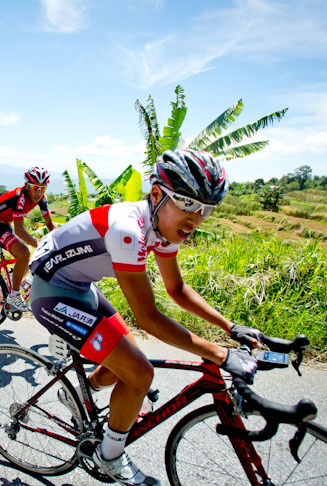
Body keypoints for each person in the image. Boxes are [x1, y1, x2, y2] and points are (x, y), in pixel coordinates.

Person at [28, 149, 260, 486]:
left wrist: (231, 328)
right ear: (157, 195)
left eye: (206, 209)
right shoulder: (128, 230)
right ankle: (108, 458)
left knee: (127, 359)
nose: (197, 218)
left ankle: (79, 394)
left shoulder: (162, 228)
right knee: (140, 372)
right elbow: (148, 317)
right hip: (52, 294)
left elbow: (176, 289)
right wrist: (220, 354)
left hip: (79, 287)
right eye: (189, 204)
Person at [0, 167, 55, 311]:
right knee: (24, 252)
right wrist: (39, 245)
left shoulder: (42, 198)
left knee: (24, 260)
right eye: (35, 187)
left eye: (43, 188)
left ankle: (10, 282)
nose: (39, 191)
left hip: (5, 225)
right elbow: (19, 230)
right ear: (27, 186)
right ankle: (13, 296)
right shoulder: (19, 197)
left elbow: (49, 223)